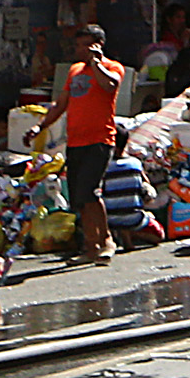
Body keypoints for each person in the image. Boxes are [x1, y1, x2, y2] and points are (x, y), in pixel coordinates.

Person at [30, 27, 125, 261]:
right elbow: (61, 104)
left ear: (98, 45)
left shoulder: (112, 68)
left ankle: (106, 240)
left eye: (86, 45)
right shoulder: (74, 71)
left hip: (100, 139)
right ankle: (91, 245)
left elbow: (110, 85)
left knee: (90, 191)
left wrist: (96, 63)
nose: (80, 50)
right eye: (79, 46)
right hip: (75, 141)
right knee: (79, 197)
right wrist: (40, 126)